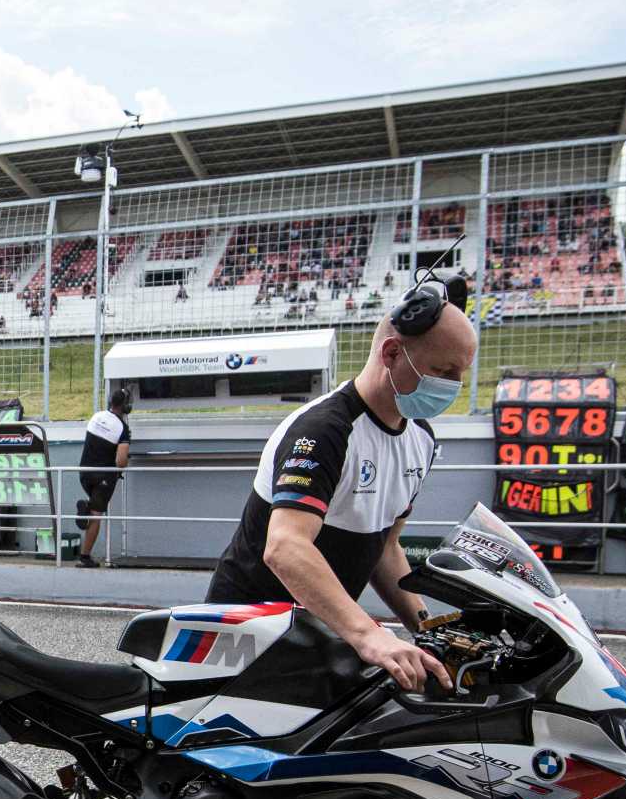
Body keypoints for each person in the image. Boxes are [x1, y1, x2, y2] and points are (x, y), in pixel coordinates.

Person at [204, 274, 480, 693]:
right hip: (245, 640)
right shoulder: (323, 430)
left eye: (460, 374)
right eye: (443, 371)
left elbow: (385, 547)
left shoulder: (420, 438)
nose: (454, 386)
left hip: (317, 635)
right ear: (391, 352)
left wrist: (432, 632)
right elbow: (285, 546)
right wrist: (369, 634)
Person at [74, 384, 132, 569]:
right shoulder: (122, 428)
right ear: (126, 406)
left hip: (84, 473)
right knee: (96, 515)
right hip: (103, 478)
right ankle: (85, 557)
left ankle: (88, 506)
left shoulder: (96, 416)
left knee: (94, 509)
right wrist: (125, 458)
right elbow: (121, 461)